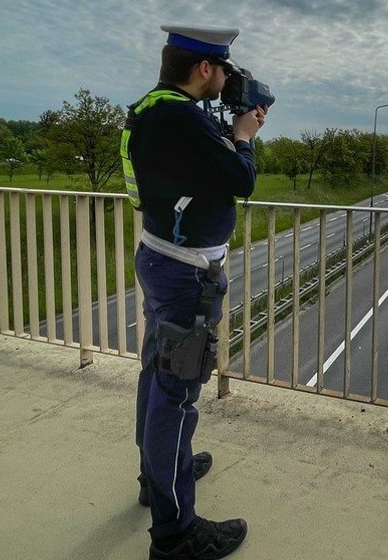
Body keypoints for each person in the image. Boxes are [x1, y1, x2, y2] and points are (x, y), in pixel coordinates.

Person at [125, 24, 267, 559]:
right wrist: (245, 135)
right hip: (186, 275)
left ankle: (153, 473)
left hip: (162, 258)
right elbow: (242, 178)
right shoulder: (181, 118)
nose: (228, 77)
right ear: (204, 68)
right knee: (177, 396)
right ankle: (176, 532)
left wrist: (229, 131)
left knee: (156, 376)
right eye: (223, 68)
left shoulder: (151, 107)